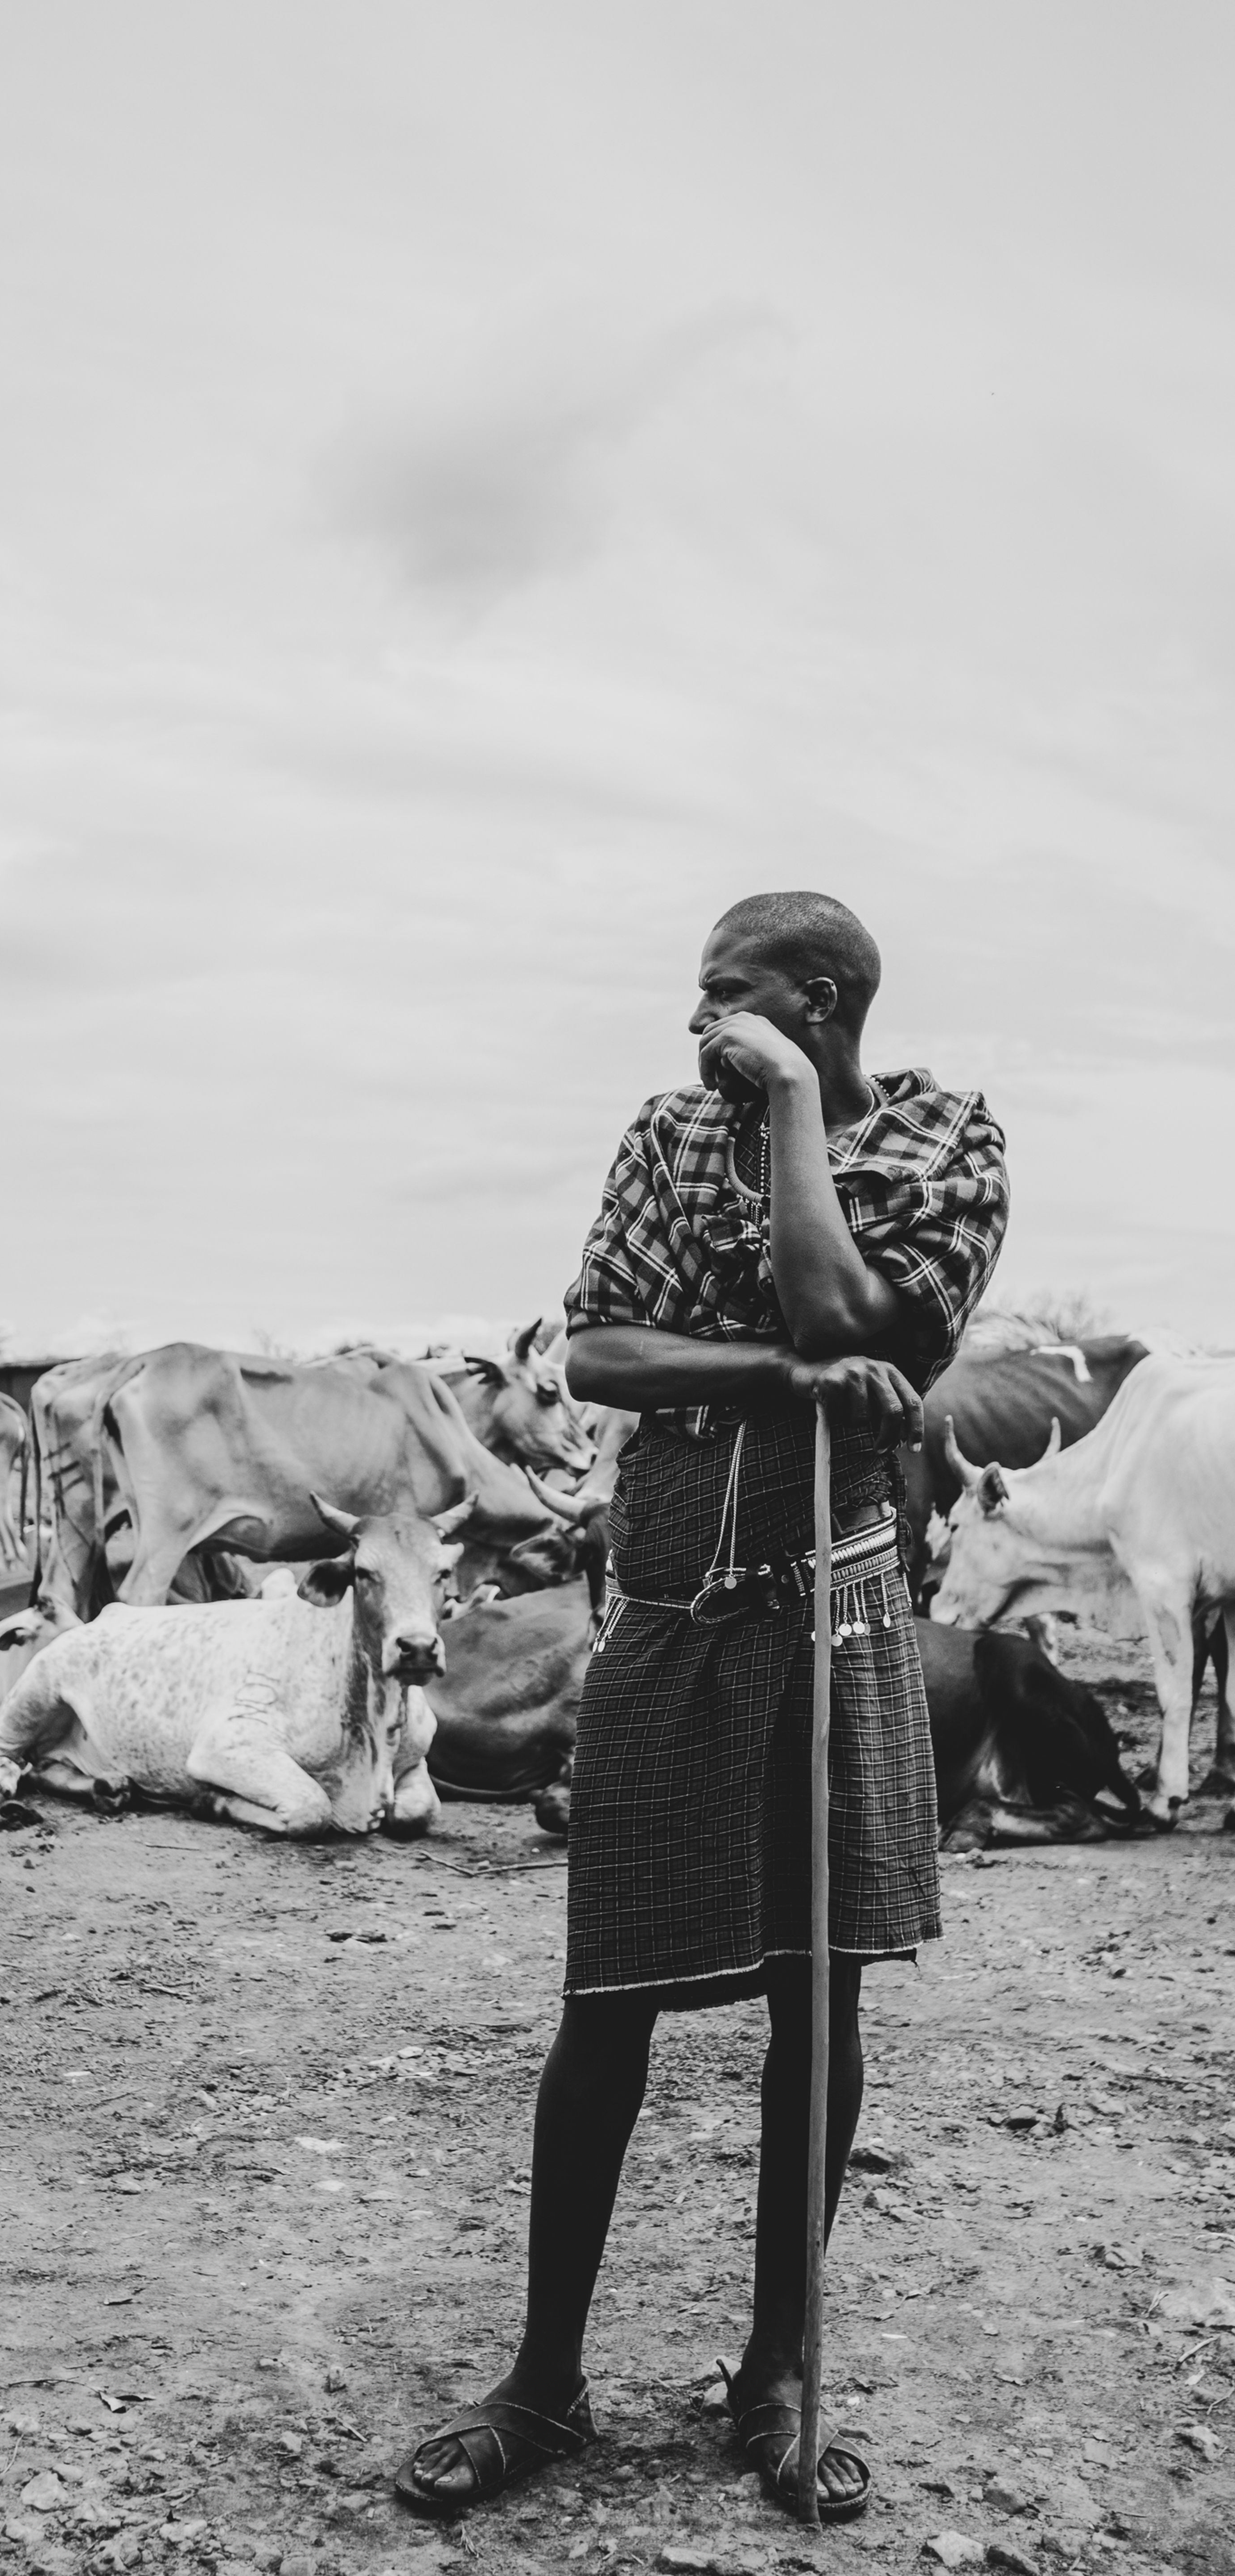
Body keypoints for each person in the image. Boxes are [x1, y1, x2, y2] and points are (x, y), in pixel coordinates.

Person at [395, 890, 1008, 2527]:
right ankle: (544, 2382)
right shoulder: (667, 1138)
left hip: (836, 1605)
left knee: (820, 1992)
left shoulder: (946, 1147)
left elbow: (859, 1317)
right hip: (671, 1599)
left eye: (726, 995)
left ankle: (776, 2373)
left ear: (817, 1001)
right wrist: (779, 1381)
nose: (697, 1024)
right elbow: (602, 1351)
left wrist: (796, 1105)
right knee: (608, 1995)